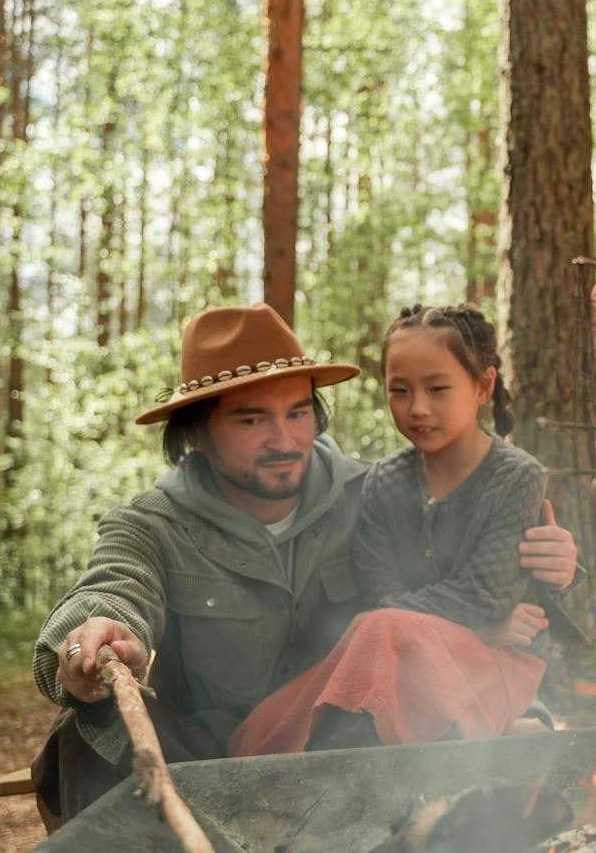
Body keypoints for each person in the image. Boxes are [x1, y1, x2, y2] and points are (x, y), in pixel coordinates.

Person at [30, 302, 578, 826]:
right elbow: (110, 589)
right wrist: (88, 643)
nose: (284, 439)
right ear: (196, 431)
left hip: (351, 753)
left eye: (297, 413)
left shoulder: (376, 491)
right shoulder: (153, 523)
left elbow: (470, 581)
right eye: (252, 421)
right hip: (210, 754)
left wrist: (560, 568)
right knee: (79, 737)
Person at [228, 304, 554, 754]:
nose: (417, 408)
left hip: (487, 662)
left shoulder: (517, 477)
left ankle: (352, 767)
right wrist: (482, 624)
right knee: (265, 726)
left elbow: (484, 594)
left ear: (484, 386)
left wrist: (476, 626)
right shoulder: (383, 479)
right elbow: (377, 590)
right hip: (400, 656)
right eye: (398, 391)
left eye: (438, 389)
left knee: (381, 630)